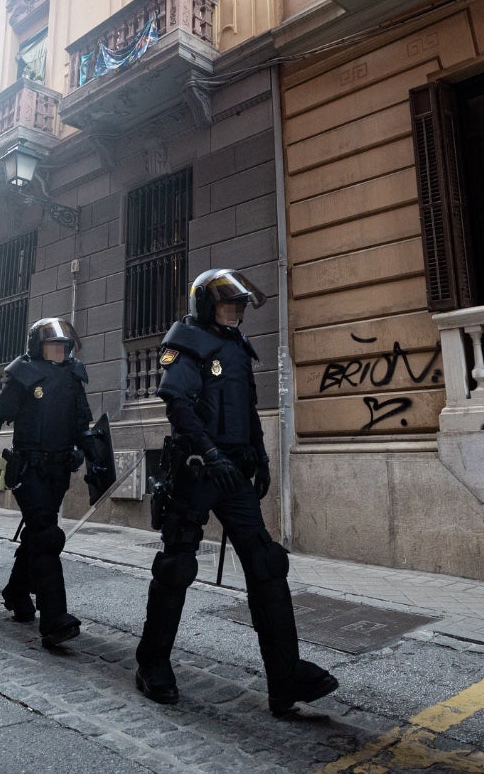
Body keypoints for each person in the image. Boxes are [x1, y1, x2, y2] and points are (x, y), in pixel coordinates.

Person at [133, 269, 338, 715]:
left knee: (267, 563)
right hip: (197, 471)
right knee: (176, 567)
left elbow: (247, 410)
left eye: (239, 306)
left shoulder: (239, 347)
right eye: (227, 304)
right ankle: (151, 664)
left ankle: (284, 677)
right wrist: (210, 454)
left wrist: (260, 459)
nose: (235, 312)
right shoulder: (185, 342)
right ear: (205, 305)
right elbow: (179, 406)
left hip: (235, 473)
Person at [0, 317, 103, 647]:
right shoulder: (24, 374)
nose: (59, 350)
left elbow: (82, 423)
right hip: (28, 469)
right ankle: (55, 619)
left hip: (58, 471)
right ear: (37, 346)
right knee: (47, 535)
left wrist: (93, 457)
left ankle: (16, 591)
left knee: (37, 536)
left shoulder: (73, 377)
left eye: (63, 345)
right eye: (52, 345)